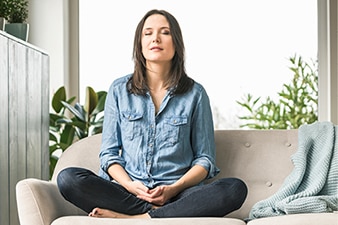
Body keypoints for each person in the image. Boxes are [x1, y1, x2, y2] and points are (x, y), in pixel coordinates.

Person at [57, 9, 247, 219]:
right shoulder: (119, 90)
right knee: (68, 178)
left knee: (234, 189)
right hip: (129, 193)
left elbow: (205, 159)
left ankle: (139, 218)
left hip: (179, 194)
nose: (155, 38)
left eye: (164, 32)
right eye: (148, 33)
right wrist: (130, 185)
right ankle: (160, 214)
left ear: (176, 43)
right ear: (139, 44)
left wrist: (173, 189)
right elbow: (109, 155)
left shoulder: (196, 94)